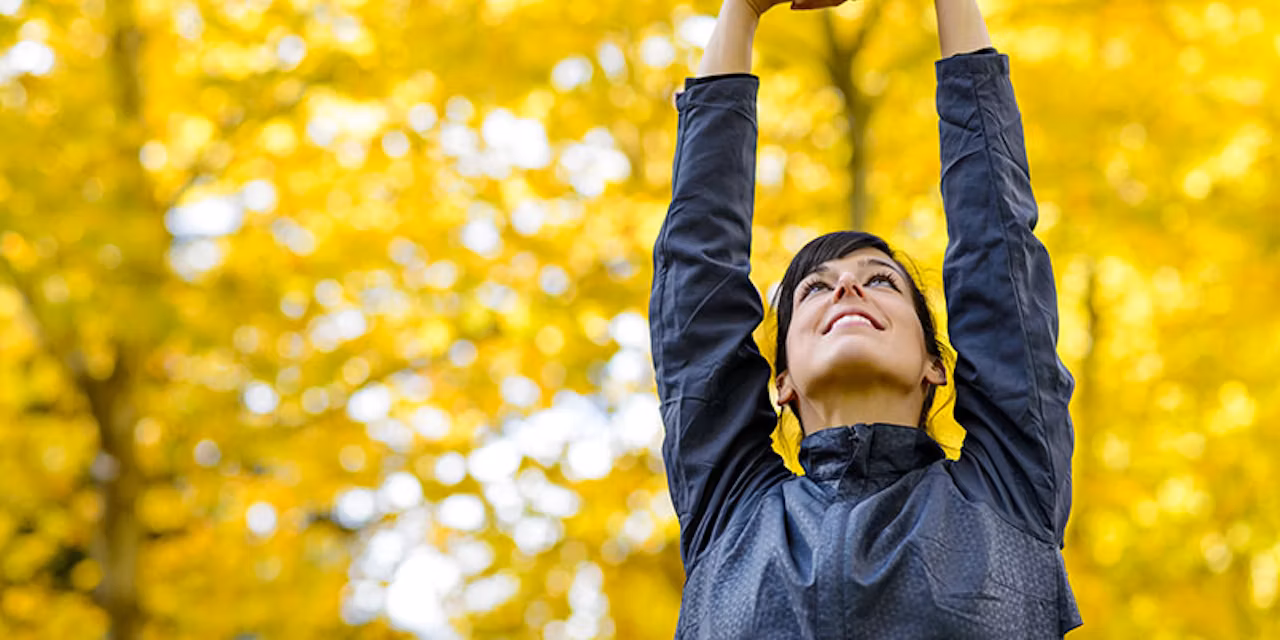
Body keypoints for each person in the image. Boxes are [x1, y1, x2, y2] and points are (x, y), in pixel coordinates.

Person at [648, 0, 1080, 636]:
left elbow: (997, 246)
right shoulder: (732, 514)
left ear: (937, 364)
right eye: (814, 291)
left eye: (881, 281)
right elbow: (695, 282)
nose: (847, 286)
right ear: (782, 379)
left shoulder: (1006, 490)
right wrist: (740, 10)